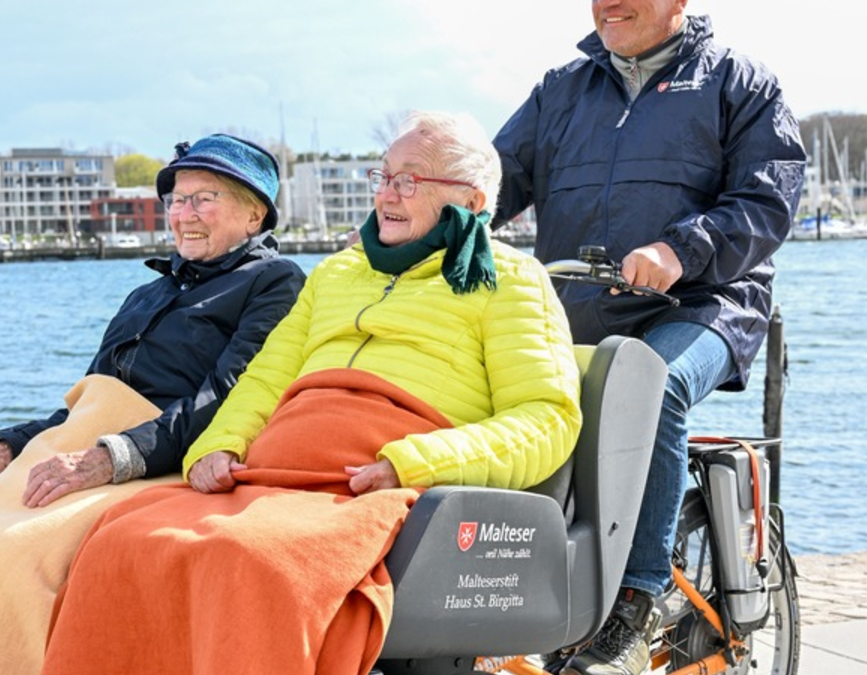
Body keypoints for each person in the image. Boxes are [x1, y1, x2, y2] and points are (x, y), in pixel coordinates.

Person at [39, 110, 583, 675]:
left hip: (370, 480)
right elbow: (267, 377)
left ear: (470, 202)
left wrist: (415, 463)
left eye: (410, 180)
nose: (387, 195)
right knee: (120, 541)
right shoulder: (337, 273)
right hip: (275, 471)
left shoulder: (514, 279)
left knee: (251, 560)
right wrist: (218, 445)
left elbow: (547, 418)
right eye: (385, 176)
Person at [0, 134, 306, 675]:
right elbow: (87, 397)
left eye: (204, 198)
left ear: (255, 215)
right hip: (90, 440)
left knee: (17, 556)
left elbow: (226, 399)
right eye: (177, 200)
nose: (185, 214)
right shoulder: (148, 293)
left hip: (159, 458)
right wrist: (9, 443)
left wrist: (112, 457)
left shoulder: (274, 282)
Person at [491, 2, 807, 674]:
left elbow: (768, 201)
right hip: (580, 308)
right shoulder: (560, 91)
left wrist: (679, 249)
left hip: (704, 302)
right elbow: (493, 179)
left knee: (648, 383)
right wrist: (427, 215)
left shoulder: (739, 81)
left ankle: (639, 602)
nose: (607, 3)